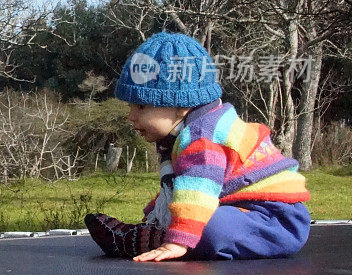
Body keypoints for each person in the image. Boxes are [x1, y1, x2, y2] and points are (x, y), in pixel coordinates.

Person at [84, 32, 311, 261]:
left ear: (182, 106)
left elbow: (197, 191)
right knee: (183, 212)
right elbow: (181, 186)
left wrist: (177, 240)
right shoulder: (185, 132)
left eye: (141, 106)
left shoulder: (202, 137)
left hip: (276, 220)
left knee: (208, 228)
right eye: (130, 106)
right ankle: (152, 233)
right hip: (245, 211)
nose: (131, 116)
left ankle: (146, 239)